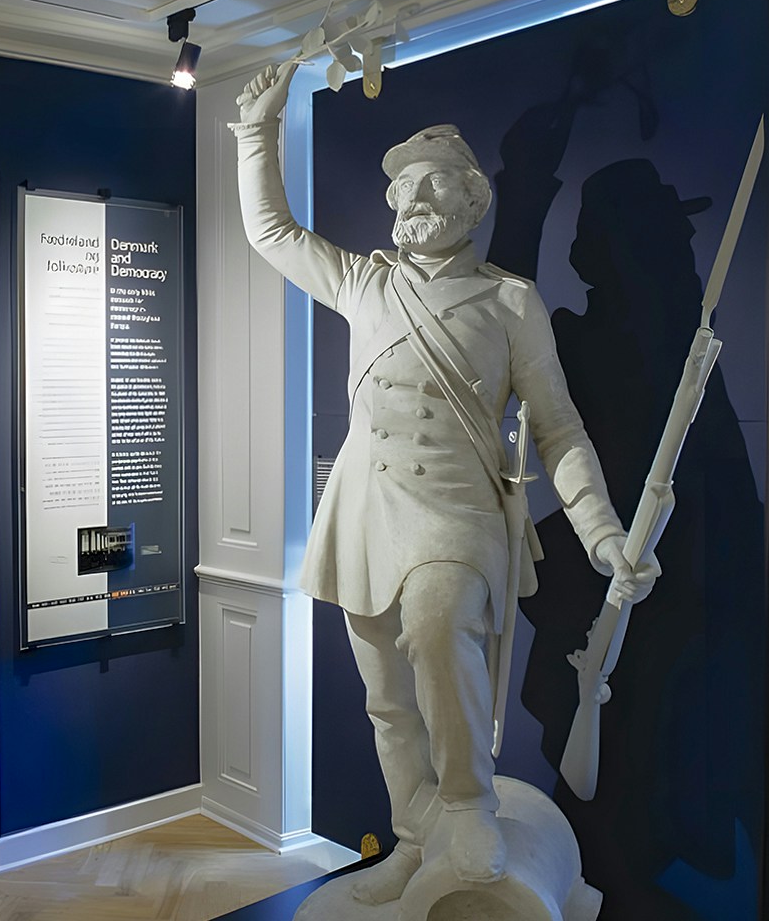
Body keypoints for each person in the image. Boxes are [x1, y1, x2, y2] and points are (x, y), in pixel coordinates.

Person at [229, 63, 656, 904]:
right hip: (364, 509)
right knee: (386, 696)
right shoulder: (364, 281)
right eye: (401, 191)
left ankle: (468, 804)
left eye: (429, 187)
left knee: (434, 624)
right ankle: (416, 834)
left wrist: (602, 530)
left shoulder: (511, 304)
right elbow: (272, 233)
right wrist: (256, 132)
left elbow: (560, 426)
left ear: (471, 201)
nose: (410, 203)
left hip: (458, 514)